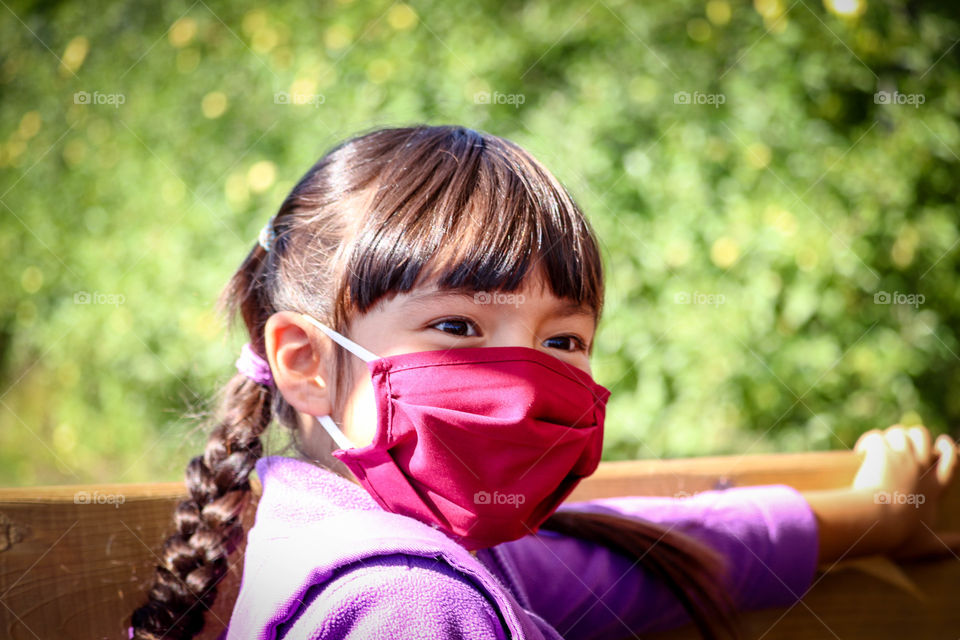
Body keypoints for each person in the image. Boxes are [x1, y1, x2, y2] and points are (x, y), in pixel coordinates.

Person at [129, 125, 958, 640]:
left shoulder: (349, 539)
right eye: (458, 327)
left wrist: (876, 516)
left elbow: (657, 552)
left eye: (563, 339)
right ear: (306, 362)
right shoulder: (412, 605)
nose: (524, 387)